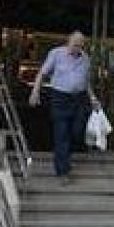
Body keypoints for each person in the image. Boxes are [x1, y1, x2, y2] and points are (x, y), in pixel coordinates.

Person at [29, 32, 98, 183]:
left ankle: (65, 157)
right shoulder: (56, 54)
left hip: (79, 99)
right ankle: (63, 171)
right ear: (69, 42)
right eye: (75, 45)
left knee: (77, 131)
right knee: (61, 133)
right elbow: (42, 73)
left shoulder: (85, 59)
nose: (77, 48)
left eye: (80, 45)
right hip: (60, 97)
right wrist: (35, 92)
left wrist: (93, 98)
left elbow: (86, 82)